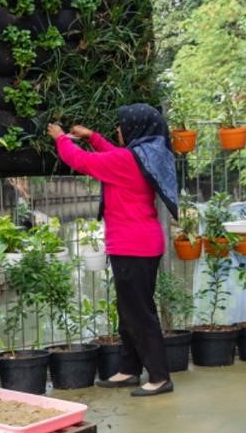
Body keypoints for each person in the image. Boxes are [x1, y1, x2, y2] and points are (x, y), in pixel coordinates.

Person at [47, 103, 180, 397]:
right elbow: (113, 155)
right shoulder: (141, 155)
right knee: (129, 310)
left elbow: (81, 161)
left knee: (140, 314)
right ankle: (129, 370)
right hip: (138, 245)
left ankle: (159, 377)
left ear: (135, 129)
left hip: (134, 247)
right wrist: (93, 136)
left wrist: (61, 138)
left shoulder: (127, 161)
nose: (118, 130)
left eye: (121, 125)